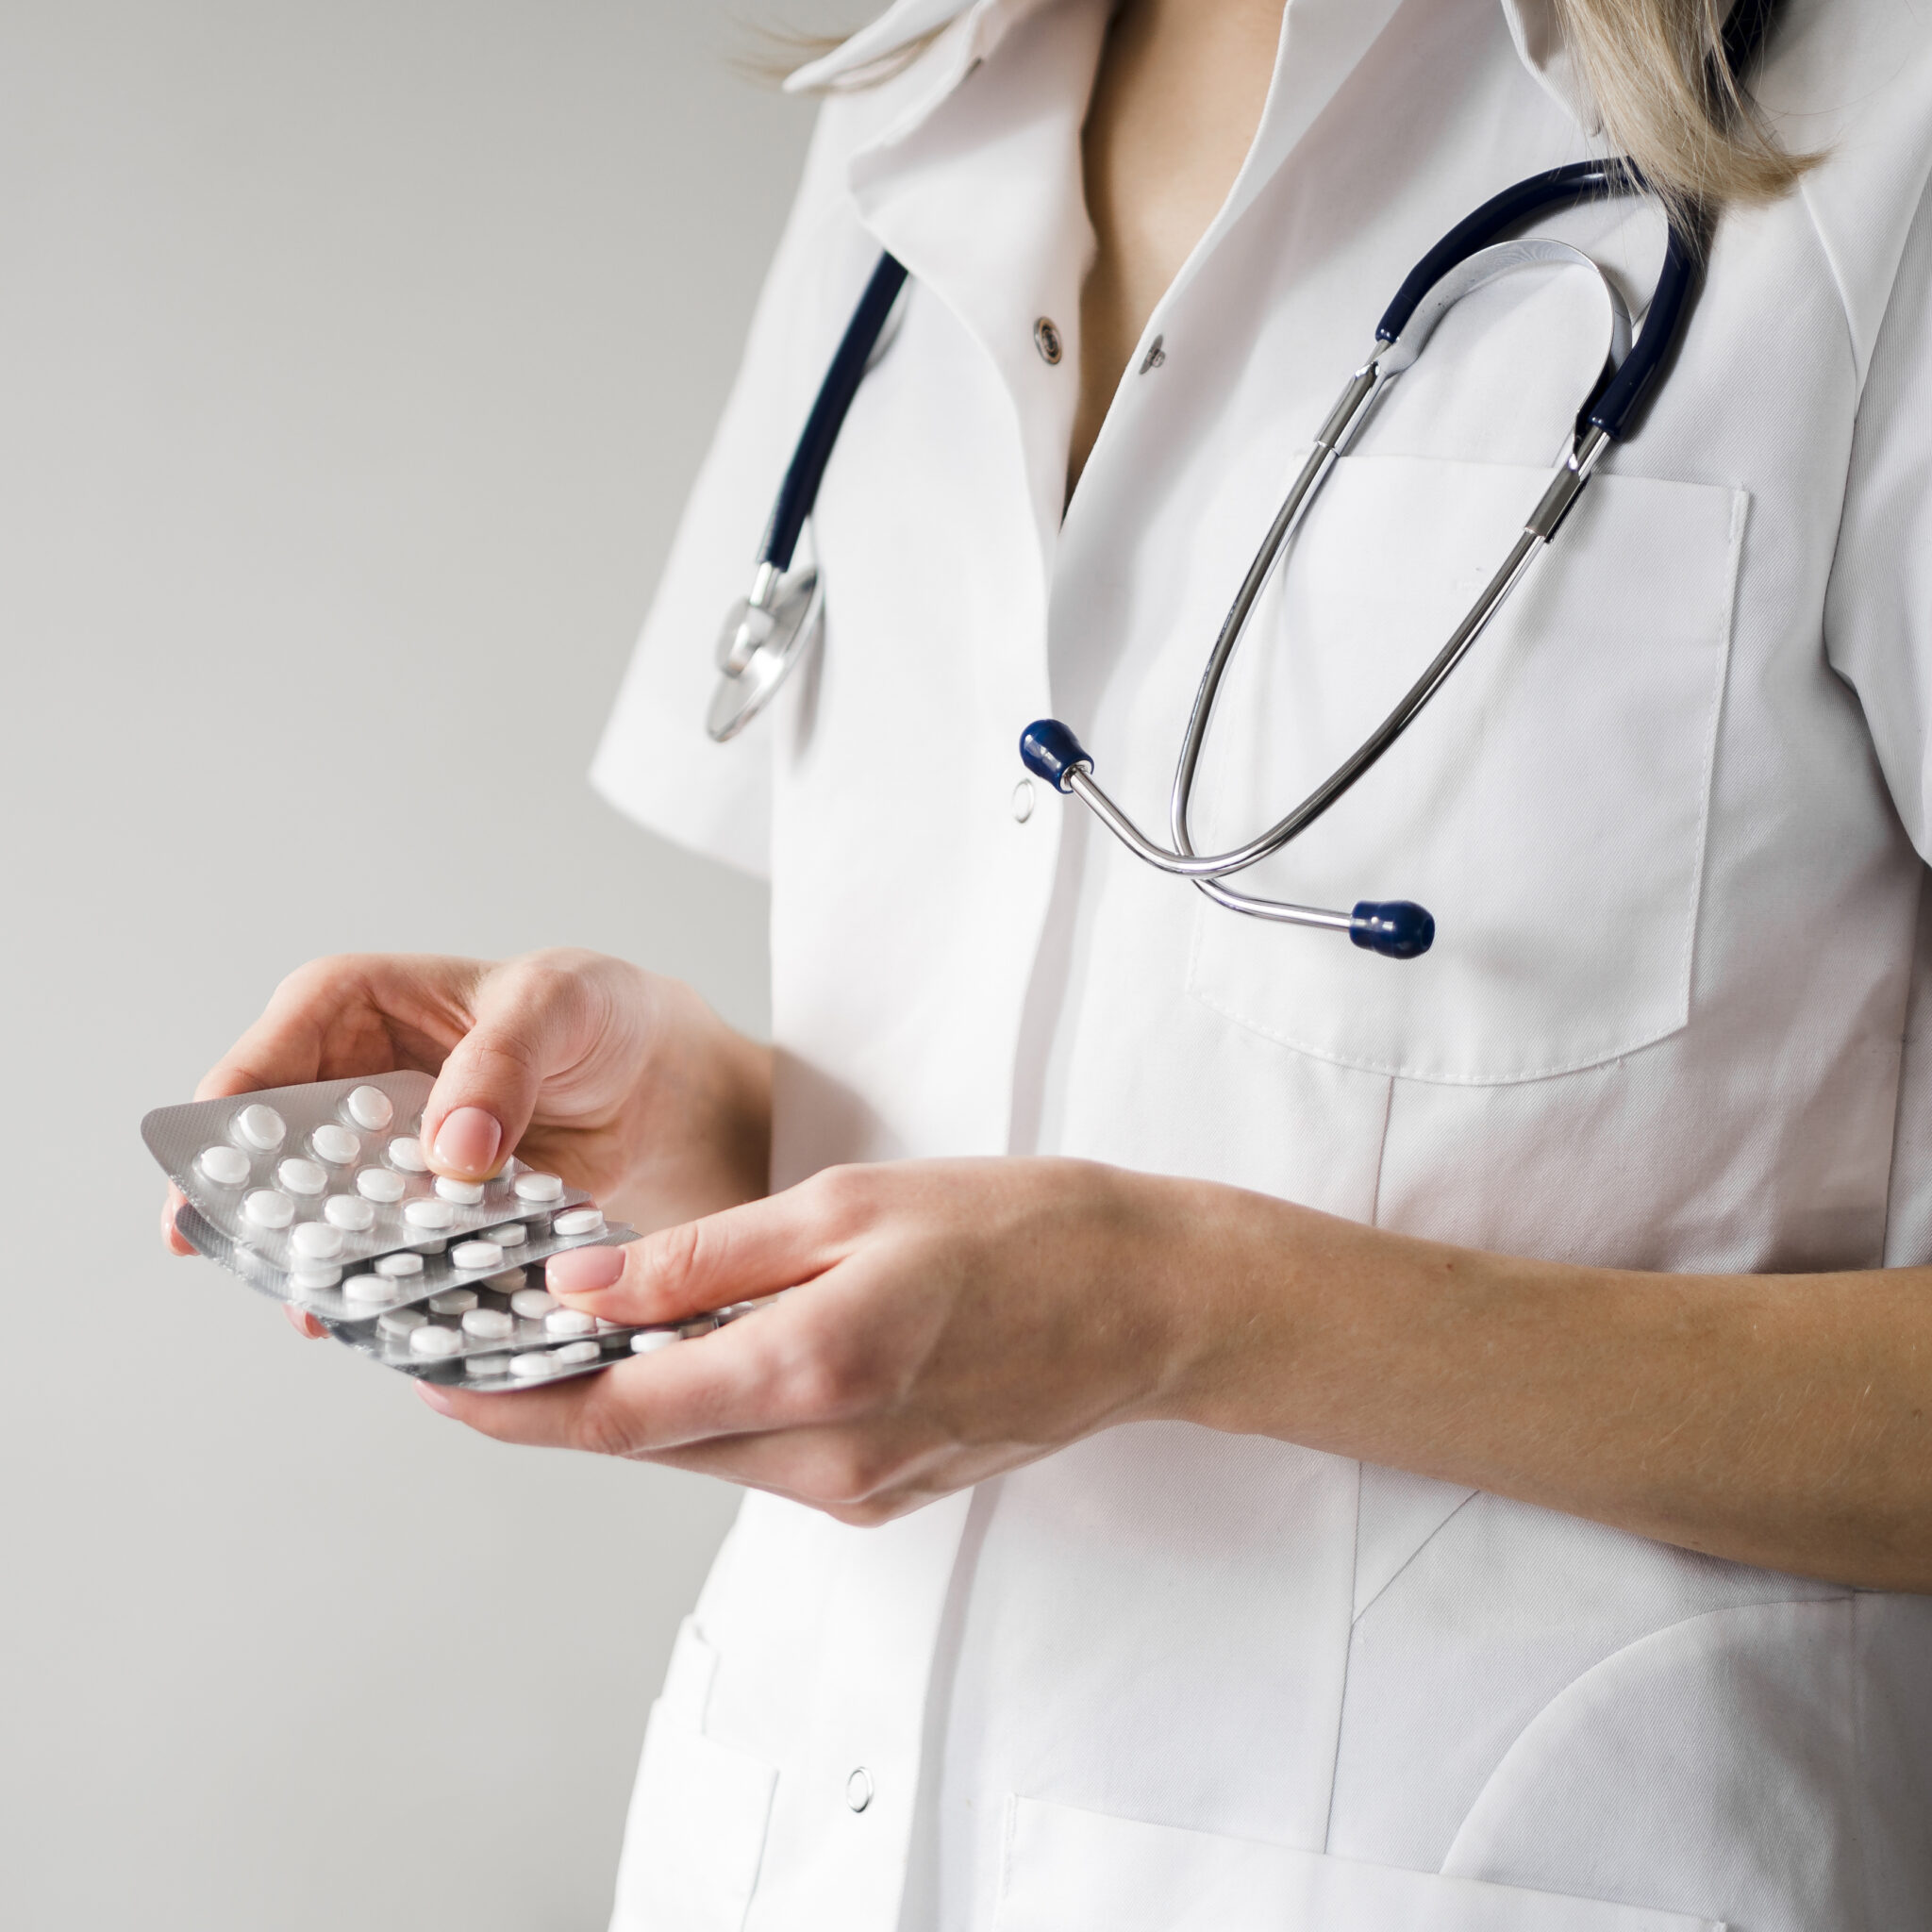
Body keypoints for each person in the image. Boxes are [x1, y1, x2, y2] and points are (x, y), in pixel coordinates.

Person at [167, 0, 1932, 1925]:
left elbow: (1173, 1231)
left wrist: (1197, 1307)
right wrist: (717, 1131)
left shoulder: (1885, 118)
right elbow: (1089, 1056)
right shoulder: (919, 99)